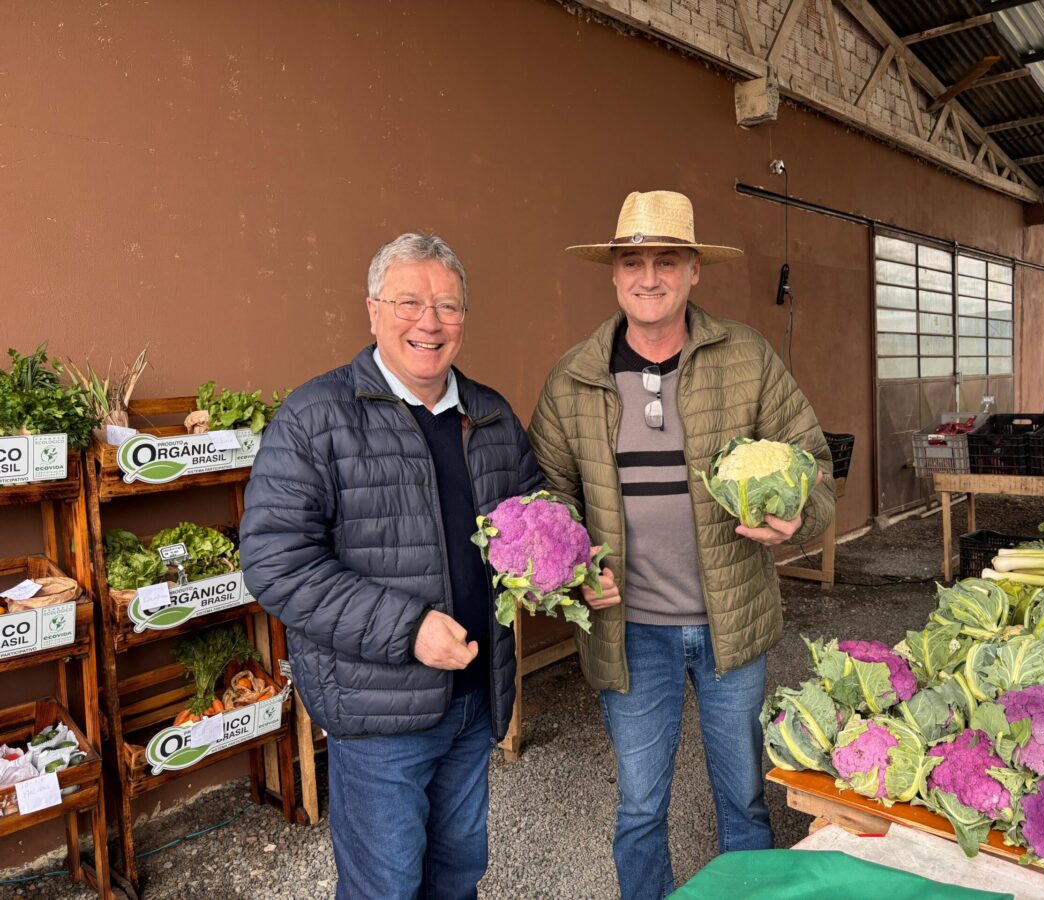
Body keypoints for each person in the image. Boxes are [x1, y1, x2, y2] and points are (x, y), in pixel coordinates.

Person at [528, 190, 835, 899]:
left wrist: (802, 516)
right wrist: (573, 573)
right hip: (630, 633)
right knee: (640, 808)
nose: (649, 276)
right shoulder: (575, 377)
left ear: (695, 270)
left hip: (733, 623)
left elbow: (812, 461)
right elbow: (547, 495)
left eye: (668, 259)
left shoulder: (747, 356)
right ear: (612, 273)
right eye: (633, 260)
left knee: (745, 802)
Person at [240, 233, 541, 900]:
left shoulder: (490, 417)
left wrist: (568, 565)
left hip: (473, 700)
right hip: (378, 713)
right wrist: (406, 629)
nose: (429, 322)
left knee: (458, 871)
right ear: (372, 310)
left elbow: (534, 515)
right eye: (409, 301)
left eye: (448, 306)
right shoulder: (317, 418)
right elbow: (273, 560)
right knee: (386, 885)